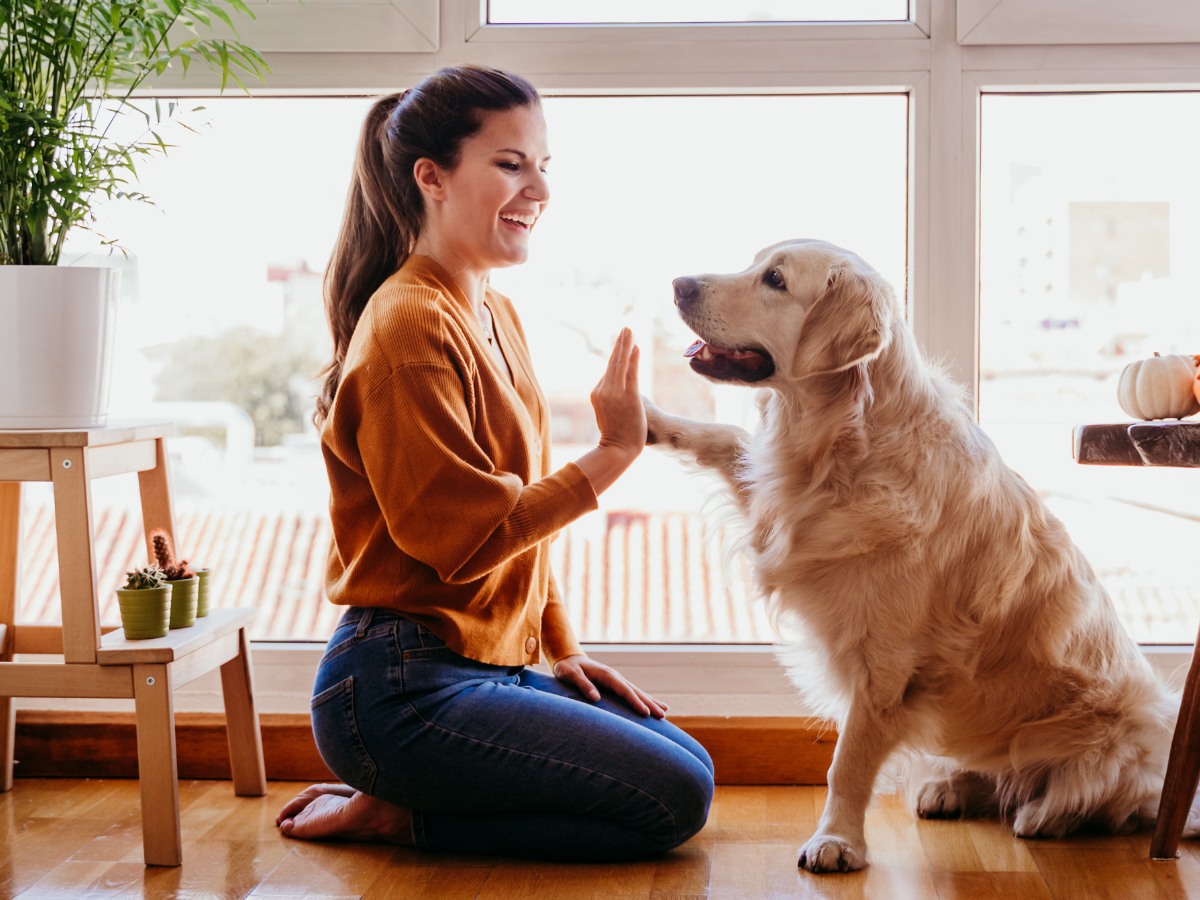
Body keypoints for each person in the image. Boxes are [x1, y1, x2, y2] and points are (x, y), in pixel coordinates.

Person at [275, 65, 714, 861]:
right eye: (511, 164)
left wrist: (561, 645)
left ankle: (406, 800)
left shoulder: (492, 310)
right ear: (431, 178)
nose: (538, 189)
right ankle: (396, 814)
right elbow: (467, 540)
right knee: (674, 801)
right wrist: (615, 451)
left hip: (485, 664)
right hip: (396, 686)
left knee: (691, 765)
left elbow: (518, 526)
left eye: (544, 166)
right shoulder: (408, 328)